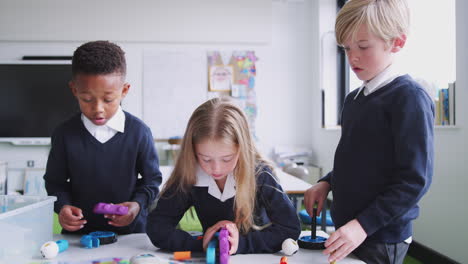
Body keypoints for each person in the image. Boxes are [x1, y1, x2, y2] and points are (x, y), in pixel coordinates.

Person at [304, 0, 434, 263]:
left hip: (380, 235)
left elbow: (413, 180)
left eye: (363, 46)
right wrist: (327, 181)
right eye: (346, 48)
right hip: (349, 228)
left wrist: (362, 225)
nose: (353, 57)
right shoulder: (354, 99)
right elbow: (356, 160)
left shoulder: (409, 98)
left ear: (396, 43)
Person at [146, 97, 300, 254]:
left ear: (242, 149)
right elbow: (157, 227)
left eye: (227, 159)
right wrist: (202, 244)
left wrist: (241, 244)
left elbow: (290, 228)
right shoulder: (189, 175)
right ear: (192, 151)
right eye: (205, 159)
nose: (216, 168)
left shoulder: (260, 175)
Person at [44, 40, 162, 234]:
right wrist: (62, 207)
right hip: (80, 237)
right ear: (74, 90)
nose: (98, 109)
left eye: (108, 99)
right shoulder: (64, 134)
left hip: (131, 236)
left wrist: (137, 205)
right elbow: (55, 182)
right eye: (87, 99)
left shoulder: (139, 132)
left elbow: (151, 181)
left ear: (124, 91)